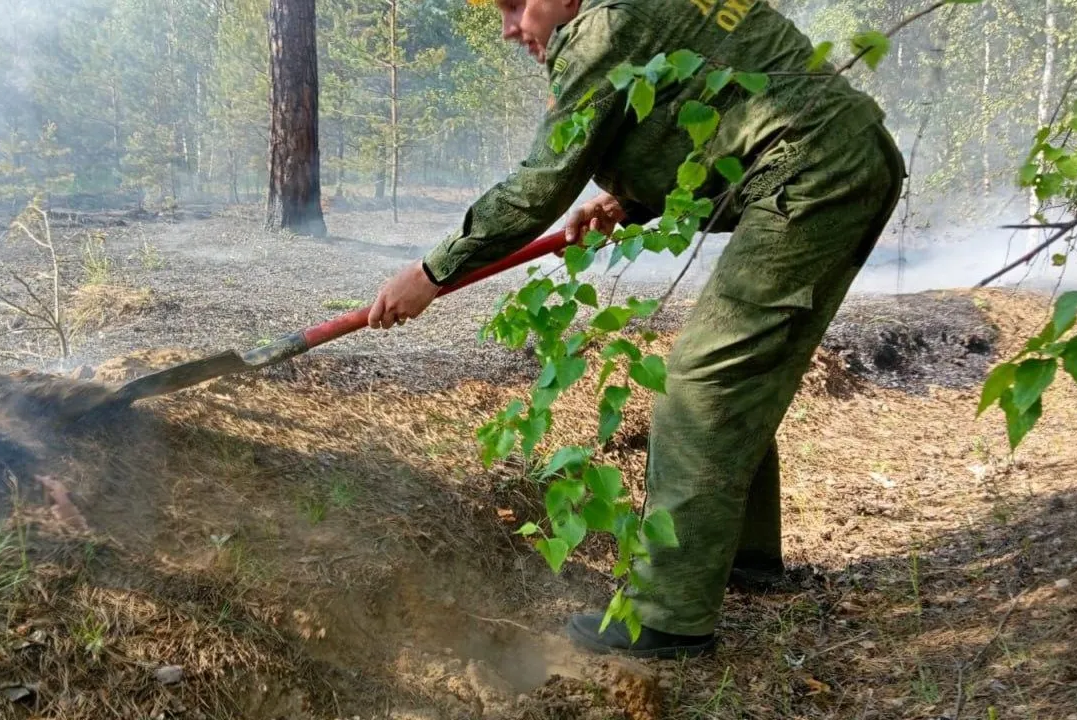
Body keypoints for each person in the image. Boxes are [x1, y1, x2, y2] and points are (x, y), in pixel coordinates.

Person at [367, 0, 905, 659]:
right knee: (730, 373)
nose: (512, 30)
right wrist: (633, 199)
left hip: (814, 172)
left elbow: (541, 182)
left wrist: (431, 273)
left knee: (702, 378)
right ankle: (742, 558)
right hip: (842, 153)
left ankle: (668, 618)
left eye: (516, 6)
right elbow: (717, 107)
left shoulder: (603, 27)